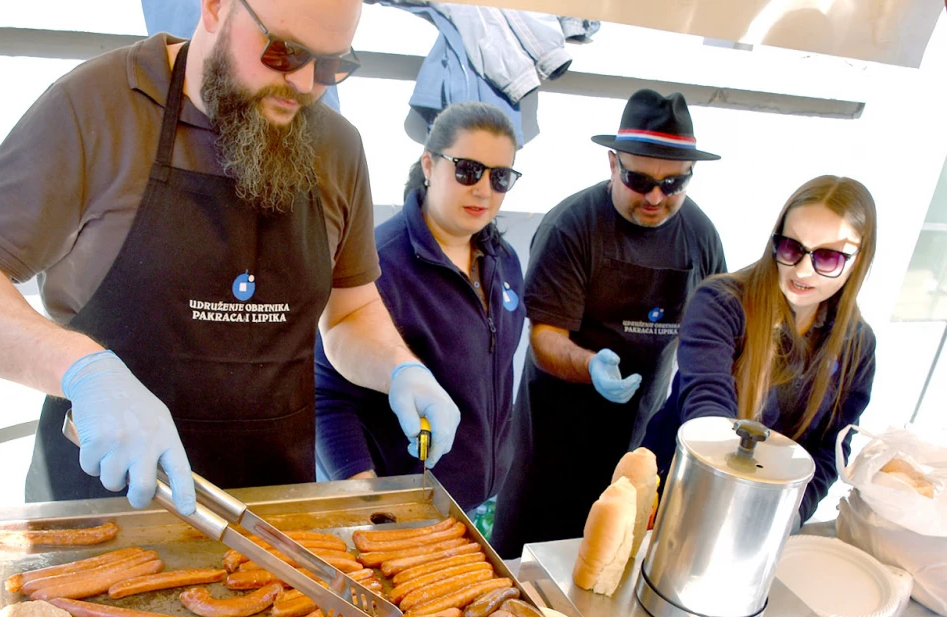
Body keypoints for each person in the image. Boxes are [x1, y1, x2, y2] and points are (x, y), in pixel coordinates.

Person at [0, 0, 460, 515]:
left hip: (270, 521)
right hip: (108, 511)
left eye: (331, 65)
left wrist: (400, 367)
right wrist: (82, 370)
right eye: (284, 52)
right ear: (216, 6)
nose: (303, 84)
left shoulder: (337, 148)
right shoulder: (99, 107)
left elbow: (348, 311)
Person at [491, 89, 726, 558]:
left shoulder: (700, 235)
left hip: (638, 439)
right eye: (640, 180)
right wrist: (590, 364)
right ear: (612, 164)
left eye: (674, 184)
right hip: (553, 442)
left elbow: (718, 328)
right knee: (527, 564)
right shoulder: (572, 227)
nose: (657, 197)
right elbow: (545, 338)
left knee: (607, 561)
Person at [314, 102, 526, 514]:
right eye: (467, 170)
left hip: (478, 500)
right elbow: (326, 397)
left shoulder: (505, 260)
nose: (483, 189)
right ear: (429, 165)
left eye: (500, 178)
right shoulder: (376, 263)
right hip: (403, 504)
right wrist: (366, 498)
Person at [644, 175, 877, 526]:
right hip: (676, 495)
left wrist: (789, 518)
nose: (801, 270)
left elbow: (832, 446)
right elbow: (707, 406)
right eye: (791, 248)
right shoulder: (722, 304)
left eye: (827, 257)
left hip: (764, 519)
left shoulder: (857, 345)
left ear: (859, 259)